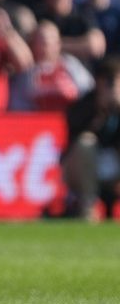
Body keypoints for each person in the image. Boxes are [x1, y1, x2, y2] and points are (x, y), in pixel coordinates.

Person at [61, 57, 120, 221]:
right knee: (85, 142)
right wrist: (100, 111)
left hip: (114, 165)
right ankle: (88, 206)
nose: (112, 87)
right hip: (82, 169)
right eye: (108, 82)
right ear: (98, 82)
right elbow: (76, 136)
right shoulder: (84, 105)